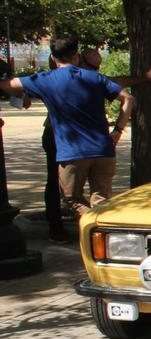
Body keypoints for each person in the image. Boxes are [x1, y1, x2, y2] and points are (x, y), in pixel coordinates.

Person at [0, 37, 135, 220]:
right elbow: (128, 98)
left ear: (53, 58)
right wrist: (118, 130)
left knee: (72, 198)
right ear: (77, 57)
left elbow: (7, 86)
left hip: (72, 152)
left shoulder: (45, 80)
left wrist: (9, 77)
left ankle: (92, 227)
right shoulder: (95, 77)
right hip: (103, 149)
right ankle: (101, 234)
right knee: (102, 200)